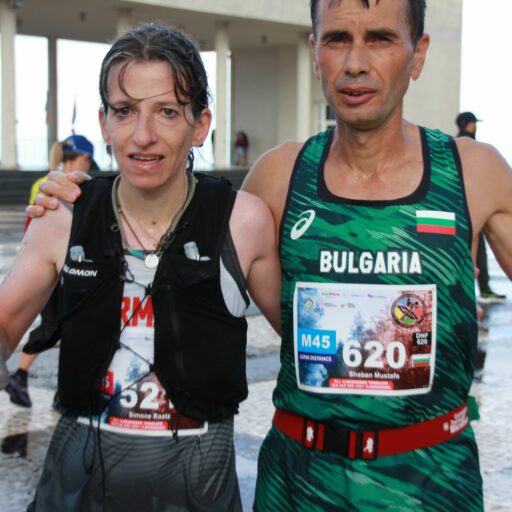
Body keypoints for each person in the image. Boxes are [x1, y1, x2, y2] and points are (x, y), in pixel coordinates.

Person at [26, 1, 512, 510]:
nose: (355, 63)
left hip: (432, 480)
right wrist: (76, 196)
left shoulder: (472, 172)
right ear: (314, 51)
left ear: (418, 54)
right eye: (338, 39)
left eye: (382, 39)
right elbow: (170, 209)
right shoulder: (280, 176)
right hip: (299, 482)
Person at [0, 22, 280, 511]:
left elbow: (307, 348)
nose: (142, 136)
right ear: (104, 122)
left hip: (198, 480)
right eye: (125, 112)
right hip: (75, 481)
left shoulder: (242, 219)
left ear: (201, 124)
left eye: (167, 112)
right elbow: (5, 324)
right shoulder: (63, 214)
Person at [5, 134, 96, 409]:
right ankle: (23, 376)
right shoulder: (57, 185)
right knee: (58, 326)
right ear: (83, 158)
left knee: (59, 326)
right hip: (57, 269)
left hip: (51, 265)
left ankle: (56, 387)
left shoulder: (45, 182)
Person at [456, 111, 506, 302]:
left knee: (468, 255)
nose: (475, 126)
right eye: (473, 123)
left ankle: (469, 295)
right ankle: (479, 292)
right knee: (476, 255)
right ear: (468, 124)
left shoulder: (451, 146)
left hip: (461, 210)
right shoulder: (470, 148)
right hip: (470, 209)